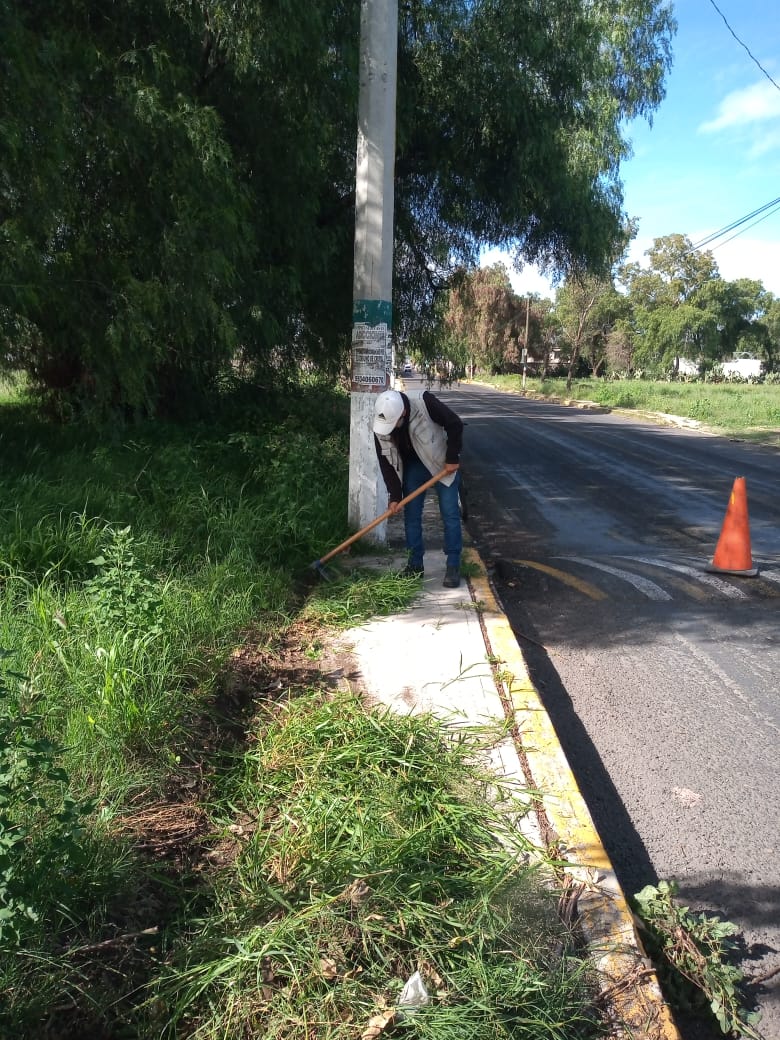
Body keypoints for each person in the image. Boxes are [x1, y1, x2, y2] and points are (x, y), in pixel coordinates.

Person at [372, 387, 463, 588]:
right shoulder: (381, 422)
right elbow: (385, 463)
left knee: (450, 513)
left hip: (441, 463)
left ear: (403, 413)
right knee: (411, 515)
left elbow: (455, 424)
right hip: (413, 466)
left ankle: (453, 565)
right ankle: (415, 565)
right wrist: (395, 495)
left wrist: (452, 457)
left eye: (394, 424)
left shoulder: (424, 402)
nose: (391, 428)